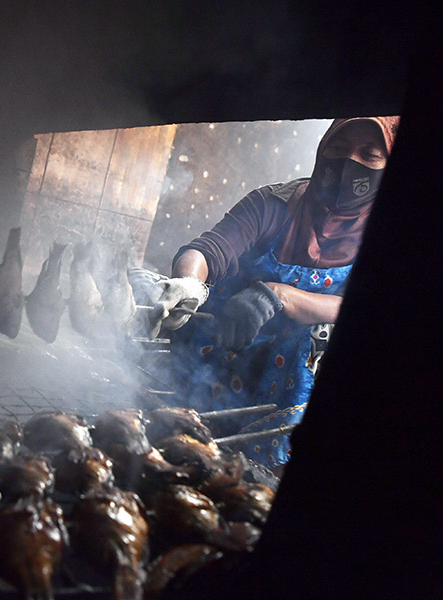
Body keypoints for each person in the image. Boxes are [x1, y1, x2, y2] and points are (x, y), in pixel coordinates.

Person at [146, 116, 399, 468]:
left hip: (288, 374)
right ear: (322, 148)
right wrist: (188, 282)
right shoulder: (274, 203)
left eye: (370, 156)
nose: (349, 163)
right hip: (220, 346)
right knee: (178, 444)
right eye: (338, 148)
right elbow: (210, 249)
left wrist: (280, 296)